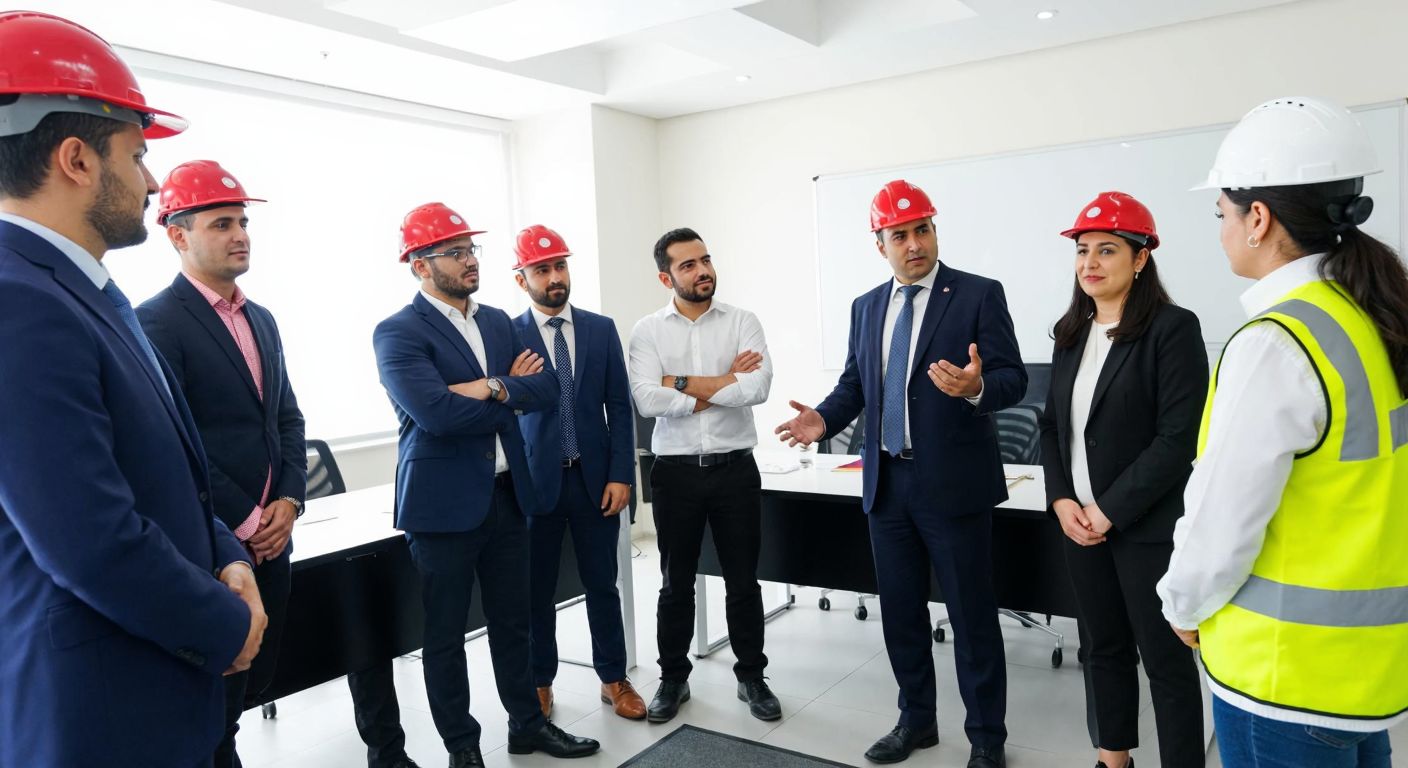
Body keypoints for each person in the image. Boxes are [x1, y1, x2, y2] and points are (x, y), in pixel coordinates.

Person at [0, 12, 265, 766]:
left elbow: (163, 474)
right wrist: (227, 622)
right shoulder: (18, 301)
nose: (152, 182)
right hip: (100, 709)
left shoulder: (81, 291)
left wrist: (228, 557)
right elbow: (89, 540)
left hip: (154, 686)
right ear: (78, 159)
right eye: (138, 156)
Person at [1159, 96, 1408, 768]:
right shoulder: (1373, 316)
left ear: (1259, 219)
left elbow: (1221, 522)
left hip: (1283, 679)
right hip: (1367, 675)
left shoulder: (1277, 343)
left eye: (1222, 214)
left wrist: (1182, 604)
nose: (1220, 232)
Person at [776, 180, 1024, 767]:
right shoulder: (866, 306)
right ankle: (916, 721)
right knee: (902, 614)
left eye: (922, 230)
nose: (914, 243)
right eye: (900, 235)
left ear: (934, 231)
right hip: (887, 485)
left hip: (955, 487)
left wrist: (978, 387)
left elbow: (1014, 378)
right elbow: (856, 384)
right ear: (879, 243)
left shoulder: (978, 295)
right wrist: (823, 417)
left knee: (971, 618)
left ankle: (987, 738)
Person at [372, 202, 599, 766]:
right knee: (446, 637)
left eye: (471, 249)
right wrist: (506, 390)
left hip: (507, 494)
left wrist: (481, 388)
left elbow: (547, 392)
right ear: (420, 266)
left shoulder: (498, 320)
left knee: (513, 622)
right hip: (441, 506)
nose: (469, 260)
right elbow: (436, 416)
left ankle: (527, 725)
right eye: (455, 252)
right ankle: (462, 745)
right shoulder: (397, 332)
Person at [135, 160, 307, 768]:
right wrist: (248, 519)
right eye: (220, 223)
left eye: (242, 222)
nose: (240, 235)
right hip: (212, 547)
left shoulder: (261, 318)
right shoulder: (154, 321)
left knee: (250, 687)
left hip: (274, 540)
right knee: (212, 711)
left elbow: (286, 419)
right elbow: (175, 442)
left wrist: (288, 503)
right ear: (177, 235)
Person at [1037, 191, 1206, 768]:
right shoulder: (1069, 334)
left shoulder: (1173, 329)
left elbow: (1176, 440)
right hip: (1079, 523)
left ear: (1140, 258)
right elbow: (1052, 427)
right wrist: (1061, 499)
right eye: (1083, 250)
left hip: (1144, 528)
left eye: (1107, 249)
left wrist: (1106, 511)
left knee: (1164, 661)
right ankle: (1114, 759)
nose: (1090, 262)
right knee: (1101, 648)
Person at [628, 227, 781, 724]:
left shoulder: (742, 320)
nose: (703, 271)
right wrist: (723, 381)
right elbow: (648, 401)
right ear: (665, 276)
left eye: (706, 260)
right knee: (675, 583)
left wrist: (680, 385)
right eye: (689, 265)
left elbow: (757, 388)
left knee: (743, 581)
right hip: (675, 474)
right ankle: (673, 679)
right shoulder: (648, 331)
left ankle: (752, 677)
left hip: (735, 469)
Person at [510, 224, 644, 721]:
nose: (554, 277)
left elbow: (618, 406)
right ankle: (540, 684)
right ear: (522, 278)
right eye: (541, 270)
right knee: (536, 593)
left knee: (602, 585)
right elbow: (503, 408)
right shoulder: (508, 334)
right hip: (534, 485)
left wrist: (621, 474)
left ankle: (614, 678)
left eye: (560, 266)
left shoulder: (599, 328)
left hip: (594, 482)